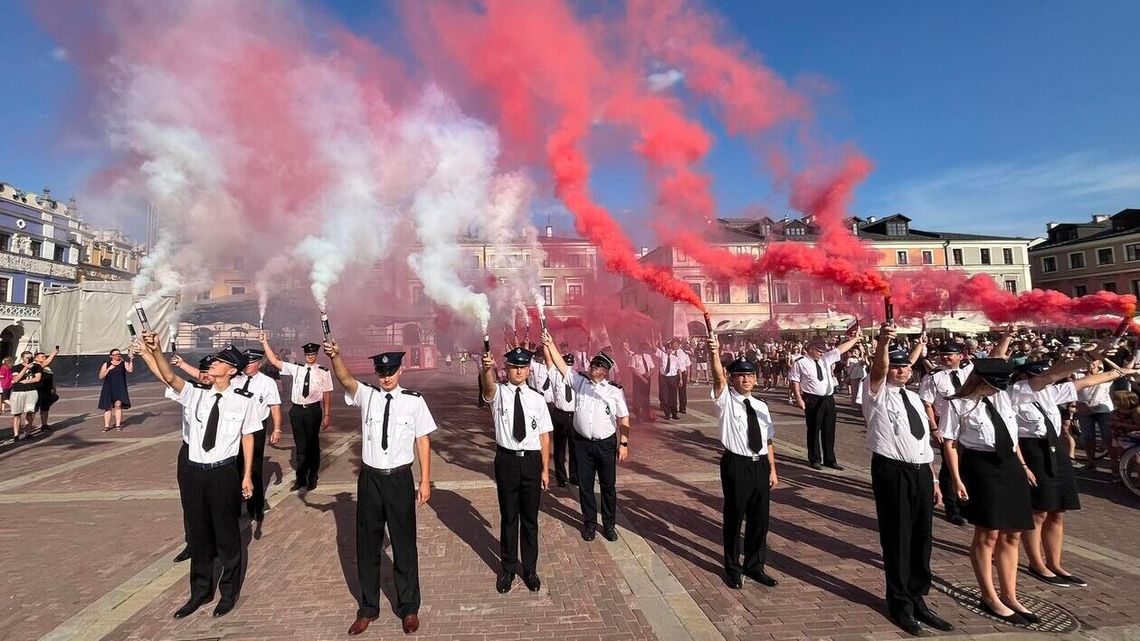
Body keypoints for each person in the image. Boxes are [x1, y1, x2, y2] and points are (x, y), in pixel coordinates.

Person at [134, 333, 259, 619]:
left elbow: (248, 438)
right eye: (214, 360)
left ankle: (228, 592)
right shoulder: (195, 393)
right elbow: (169, 377)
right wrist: (155, 352)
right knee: (199, 534)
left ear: (232, 370)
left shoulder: (243, 400)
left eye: (220, 362)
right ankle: (200, 592)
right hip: (195, 473)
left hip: (223, 472)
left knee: (227, 536)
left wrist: (247, 475)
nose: (213, 363)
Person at [324, 344, 434, 636]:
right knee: (367, 546)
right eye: (382, 372)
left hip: (399, 479)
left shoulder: (414, 401)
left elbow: (423, 442)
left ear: (401, 370)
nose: (386, 377)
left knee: (404, 545)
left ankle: (408, 608)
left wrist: (424, 481)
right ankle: (368, 608)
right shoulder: (367, 395)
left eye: (391, 372)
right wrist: (336, 356)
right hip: (370, 479)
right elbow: (346, 380)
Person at [863, 325, 954, 635]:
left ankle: (918, 598)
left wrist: (935, 481)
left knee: (921, 540)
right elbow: (878, 370)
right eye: (896, 365)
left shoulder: (914, 399)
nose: (901, 370)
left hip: (920, 472)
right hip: (892, 471)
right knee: (898, 537)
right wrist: (884, 343)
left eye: (905, 365)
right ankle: (899, 602)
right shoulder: (875, 392)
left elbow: (921, 444)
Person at [1012, 359, 1127, 590]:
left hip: (1055, 449)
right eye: (1039, 376)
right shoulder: (1016, 393)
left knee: (1058, 510)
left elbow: (1087, 381)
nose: (1047, 380)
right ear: (1024, 377)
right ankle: (1037, 564)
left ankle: (1055, 563)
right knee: (1039, 512)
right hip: (1031, 450)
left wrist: (1121, 371)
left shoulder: (1049, 393)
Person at [941, 359, 1040, 625]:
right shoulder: (957, 404)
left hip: (1010, 467)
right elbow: (950, 443)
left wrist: (1022, 465)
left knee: (1014, 533)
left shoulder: (1004, 399)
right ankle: (989, 595)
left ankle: (1010, 595)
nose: (999, 389)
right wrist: (956, 478)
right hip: (981, 468)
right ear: (982, 380)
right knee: (988, 533)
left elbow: (1012, 437)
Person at [543, 330, 630, 542]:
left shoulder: (614, 391)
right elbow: (561, 366)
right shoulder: (579, 381)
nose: (592, 368)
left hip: (606, 445)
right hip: (582, 444)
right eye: (592, 365)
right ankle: (589, 523)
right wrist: (551, 343)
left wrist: (624, 444)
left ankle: (609, 524)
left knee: (608, 487)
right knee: (586, 487)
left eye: (597, 366)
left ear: (606, 371)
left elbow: (624, 419)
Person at [708, 333, 779, 591]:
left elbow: (768, 440)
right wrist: (714, 353)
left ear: (756, 379)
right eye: (740, 375)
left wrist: (772, 470)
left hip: (760, 464)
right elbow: (717, 377)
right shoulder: (725, 400)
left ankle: (755, 565)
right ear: (732, 378)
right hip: (736, 464)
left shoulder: (761, 405)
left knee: (760, 520)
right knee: (735, 517)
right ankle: (732, 568)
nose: (746, 379)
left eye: (749, 375)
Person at [480, 346, 553, 594]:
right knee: (509, 517)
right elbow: (488, 389)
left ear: (529, 369)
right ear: (507, 369)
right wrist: (486, 369)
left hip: (531, 461)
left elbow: (544, 436)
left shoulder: (537, 398)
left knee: (530, 519)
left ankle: (530, 570)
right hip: (507, 461)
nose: (518, 371)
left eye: (522, 367)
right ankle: (508, 569)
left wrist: (545, 469)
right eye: (514, 367)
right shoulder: (499, 393)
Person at [260, 335, 333, 491]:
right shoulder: (296, 368)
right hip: (297, 411)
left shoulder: (323, 372)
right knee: (300, 446)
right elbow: (274, 361)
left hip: (313, 410)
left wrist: (327, 415)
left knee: (312, 445)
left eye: (312, 354)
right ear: (304, 356)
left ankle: (312, 476)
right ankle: (301, 478)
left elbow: (326, 394)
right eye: (307, 355)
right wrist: (265, 342)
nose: (310, 357)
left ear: (316, 355)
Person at [789, 332, 861, 470]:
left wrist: (856, 339)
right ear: (810, 349)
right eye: (819, 351)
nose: (822, 354)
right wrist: (799, 399)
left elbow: (841, 349)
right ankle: (815, 458)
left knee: (829, 429)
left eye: (823, 351)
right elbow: (795, 381)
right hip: (812, 399)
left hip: (828, 398)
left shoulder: (826, 359)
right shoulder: (800, 362)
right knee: (814, 429)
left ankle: (830, 459)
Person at [919, 341, 972, 526]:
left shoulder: (969, 372)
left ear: (960, 356)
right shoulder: (933, 377)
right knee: (950, 467)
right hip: (946, 423)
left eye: (950, 354)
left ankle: (966, 503)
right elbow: (927, 404)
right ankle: (953, 509)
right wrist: (934, 427)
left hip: (969, 423)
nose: (945, 357)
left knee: (968, 465)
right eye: (943, 354)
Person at [233, 348, 283, 523]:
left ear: (259, 364)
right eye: (246, 362)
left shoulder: (267, 382)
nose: (247, 365)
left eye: (251, 362)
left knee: (254, 468)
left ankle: (256, 506)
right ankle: (237, 504)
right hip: (236, 427)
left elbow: (275, 406)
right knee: (234, 466)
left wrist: (276, 429)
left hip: (257, 428)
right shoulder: (235, 379)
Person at [1075, 359, 1113, 470]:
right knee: (1088, 438)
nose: (1090, 366)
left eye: (1093, 364)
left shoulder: (1106, 377)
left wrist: (1105, 359)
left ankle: (1114, 465)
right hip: (1084, 411)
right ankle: (1091, 463)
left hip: (1103, 410)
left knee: (1108, 438)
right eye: (1089, 363)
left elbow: (1118, 370)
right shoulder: (1078, 375)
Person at [547, 352, 578, 486]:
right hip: (560, 414)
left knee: (574, 447)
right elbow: (549, 360)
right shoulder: (555, 375)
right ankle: (561, 477)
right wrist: (547, 344)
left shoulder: (578, 377)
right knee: (559, 448)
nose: (569, 366)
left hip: (574, 415)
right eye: (567, 364)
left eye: (571, 364)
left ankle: (574, 476)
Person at [97, 348, 133, 432]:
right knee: (108, 406)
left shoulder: (123, 363)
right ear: (111, 356)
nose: (118, 355)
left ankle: (118, 425)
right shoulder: (106, 364)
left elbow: (130, 370)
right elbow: (101, 376)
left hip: (120, 387)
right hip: (108, 388)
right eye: (116, 354)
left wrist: (131, 359)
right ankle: (106, 426)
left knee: (118, 405)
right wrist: (108, 369)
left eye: (119, 354)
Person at [10, 351, 43, 441]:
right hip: (18, 392)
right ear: (22, 358)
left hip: (31, 392)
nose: (29, 359)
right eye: (27, 357)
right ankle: (16, 434)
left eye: (30, 357)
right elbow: (16, 379)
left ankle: (28, 432)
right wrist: (25, 368)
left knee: (29, 412)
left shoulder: (37, 367)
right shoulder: (16, 367)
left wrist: (26, 381)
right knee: (17, 414)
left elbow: (37, 378)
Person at [625, 340, 654, 423]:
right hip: (638, 378)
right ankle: (638, 414)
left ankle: (646, 414)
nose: (644, 351)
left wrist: (650, 374)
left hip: (647, 377)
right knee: (637, 396)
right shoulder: (634, 357)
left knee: (646, 396)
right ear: (639, 348)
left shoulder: (648, 356)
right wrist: (642, 378)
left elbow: (653, 368)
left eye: (645, 349)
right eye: (642, 349)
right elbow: (632, 368)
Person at [32, 348, 60, 434]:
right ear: (36, 358)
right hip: (37, 390)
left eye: (45, 357)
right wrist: (54, 353)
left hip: (47, 390)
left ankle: (44, 425)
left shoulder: (47, 367)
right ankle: (29, 427)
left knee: (45, 409)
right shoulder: (36, 366)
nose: (44, 358)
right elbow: (46, 362)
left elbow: (51, 378)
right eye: (42, 357)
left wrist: (54, 388)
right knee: (33, 409)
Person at [655, 338, 682, 420]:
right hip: (664, 378)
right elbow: (654, 348)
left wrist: (680, 379)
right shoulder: (662, 355)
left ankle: (674, 413)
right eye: (668, 349)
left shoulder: (675, 358)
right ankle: (667, 413)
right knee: (664, 396)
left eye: (670, 349)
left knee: (673, 396)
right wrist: (656, 337)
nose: (669, 350)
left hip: (673, 378)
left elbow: (679, 369)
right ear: (665, 349)